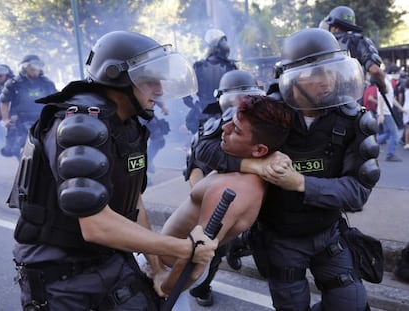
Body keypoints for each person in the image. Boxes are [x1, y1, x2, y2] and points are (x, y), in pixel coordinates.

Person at [9, 30, 218, 311]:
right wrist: (181, 248)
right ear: (116, 76)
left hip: (109, 259)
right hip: (60, 273)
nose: (159, 89)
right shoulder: (79, 124)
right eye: (149, 80)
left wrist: (157, 269)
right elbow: (95, 225)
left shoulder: (128, 124)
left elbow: (133, 203)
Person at [196, 28, 381, 311]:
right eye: (317, 73)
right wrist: (254, 163)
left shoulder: (351, 119)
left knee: (351, 304)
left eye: (331, 70)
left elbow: (357, 192)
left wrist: (300, 183)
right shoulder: (266, 110)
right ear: (292, 77)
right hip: (281, 237)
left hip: (328, 233)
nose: (327, 81)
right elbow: (204, 148)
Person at [153, 94, 292, 309]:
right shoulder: (249, 168)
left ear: (259, 150)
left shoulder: (231, 190)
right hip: (167, 264)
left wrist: (164, 286)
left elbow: (195, 260)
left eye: (236, 130)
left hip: (170, 270)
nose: (224, 128)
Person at [182, 69, 266, 306]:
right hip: (218, 203)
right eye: (234, 101)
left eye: (246, 100)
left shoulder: (260, 128)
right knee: (211, 253)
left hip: (251, 200)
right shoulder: (208, 131)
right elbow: (194, 172)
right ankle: (202, 287)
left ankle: (238, 247)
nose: (239, 108)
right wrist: (205, 209)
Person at [320, 6, 387, 95]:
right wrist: (384, 87)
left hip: (325, 101)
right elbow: (375, 70)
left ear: (334, 26)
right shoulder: (358, 41)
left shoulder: (323, 44)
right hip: (351, 101)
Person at [0, 54, 57, 159]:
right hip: (19, 121)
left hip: (42, 119)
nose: (35, 71)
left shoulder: (47, 83)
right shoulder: (13, 83)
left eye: (37, 68)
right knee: (18, 147)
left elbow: (56, 100)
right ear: (25, 68)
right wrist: (6, 119)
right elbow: (4, 102)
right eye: (32, 68)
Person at [183, 28, 237, 135]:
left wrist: (196, 106)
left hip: (212, 111)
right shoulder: (230, 66)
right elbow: (186, 94)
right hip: (222, 112)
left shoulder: (198, 66)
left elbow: (186, 96)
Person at [376, 67, 408, 162]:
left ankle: (374, 143)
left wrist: (401, 108)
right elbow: (381, 98)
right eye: (397, 73)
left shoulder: (387, 82)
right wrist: (381, 114)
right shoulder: (385, 83)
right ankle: (390, 154)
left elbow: (391, 99)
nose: (398, 75)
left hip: (386, 112)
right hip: (385, 113)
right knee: (394, 133)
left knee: (388, 133)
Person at [140, 101, 170, 175]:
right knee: (136, 145)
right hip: (134, 115)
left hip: (147, 113)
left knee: (159, 141)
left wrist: (162, 106)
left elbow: (155, 95)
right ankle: (142, 173)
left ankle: (148, 160)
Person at [0, 63, 14, 149]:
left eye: (0, 76)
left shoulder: (17, 85)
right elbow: (0, 110)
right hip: (12, 123)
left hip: (19, 120)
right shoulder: (0, 91)